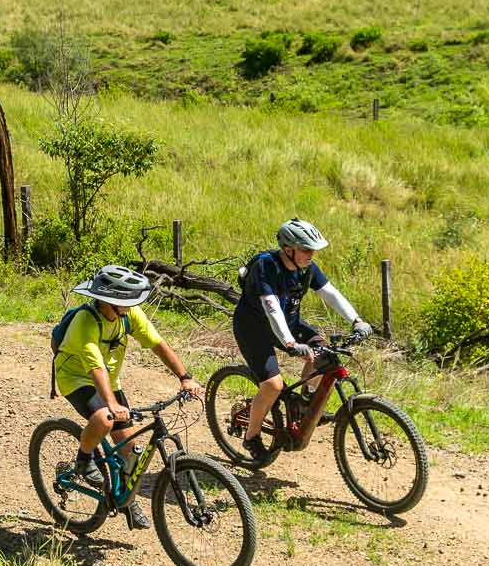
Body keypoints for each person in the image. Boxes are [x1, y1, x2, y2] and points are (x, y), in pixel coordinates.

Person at [51, 265, 203, 530]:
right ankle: (84, 459)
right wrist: (111, 404)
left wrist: (185, 376)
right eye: (127, 301)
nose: (132, 306)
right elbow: (94, 367)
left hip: (109, 381)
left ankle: (127, 499)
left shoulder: (128, 315)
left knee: (131, 450)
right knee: (104, 418)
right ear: (110, 301)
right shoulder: (85, 322)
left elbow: (158, 344)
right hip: (76, 378)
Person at [231, 218, 371, 461]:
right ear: (288, 248)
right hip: (254, 328)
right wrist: (291, 344)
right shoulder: (266, 266)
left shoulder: (306, 267)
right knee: (273, 385)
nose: (311, 254)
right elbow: (271, 307)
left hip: (289, 322)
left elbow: (330, 293)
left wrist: (356, 320)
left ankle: (304, 402)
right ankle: (251, 437)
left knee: (324, 354)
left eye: (313, 249)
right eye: (306, 249)